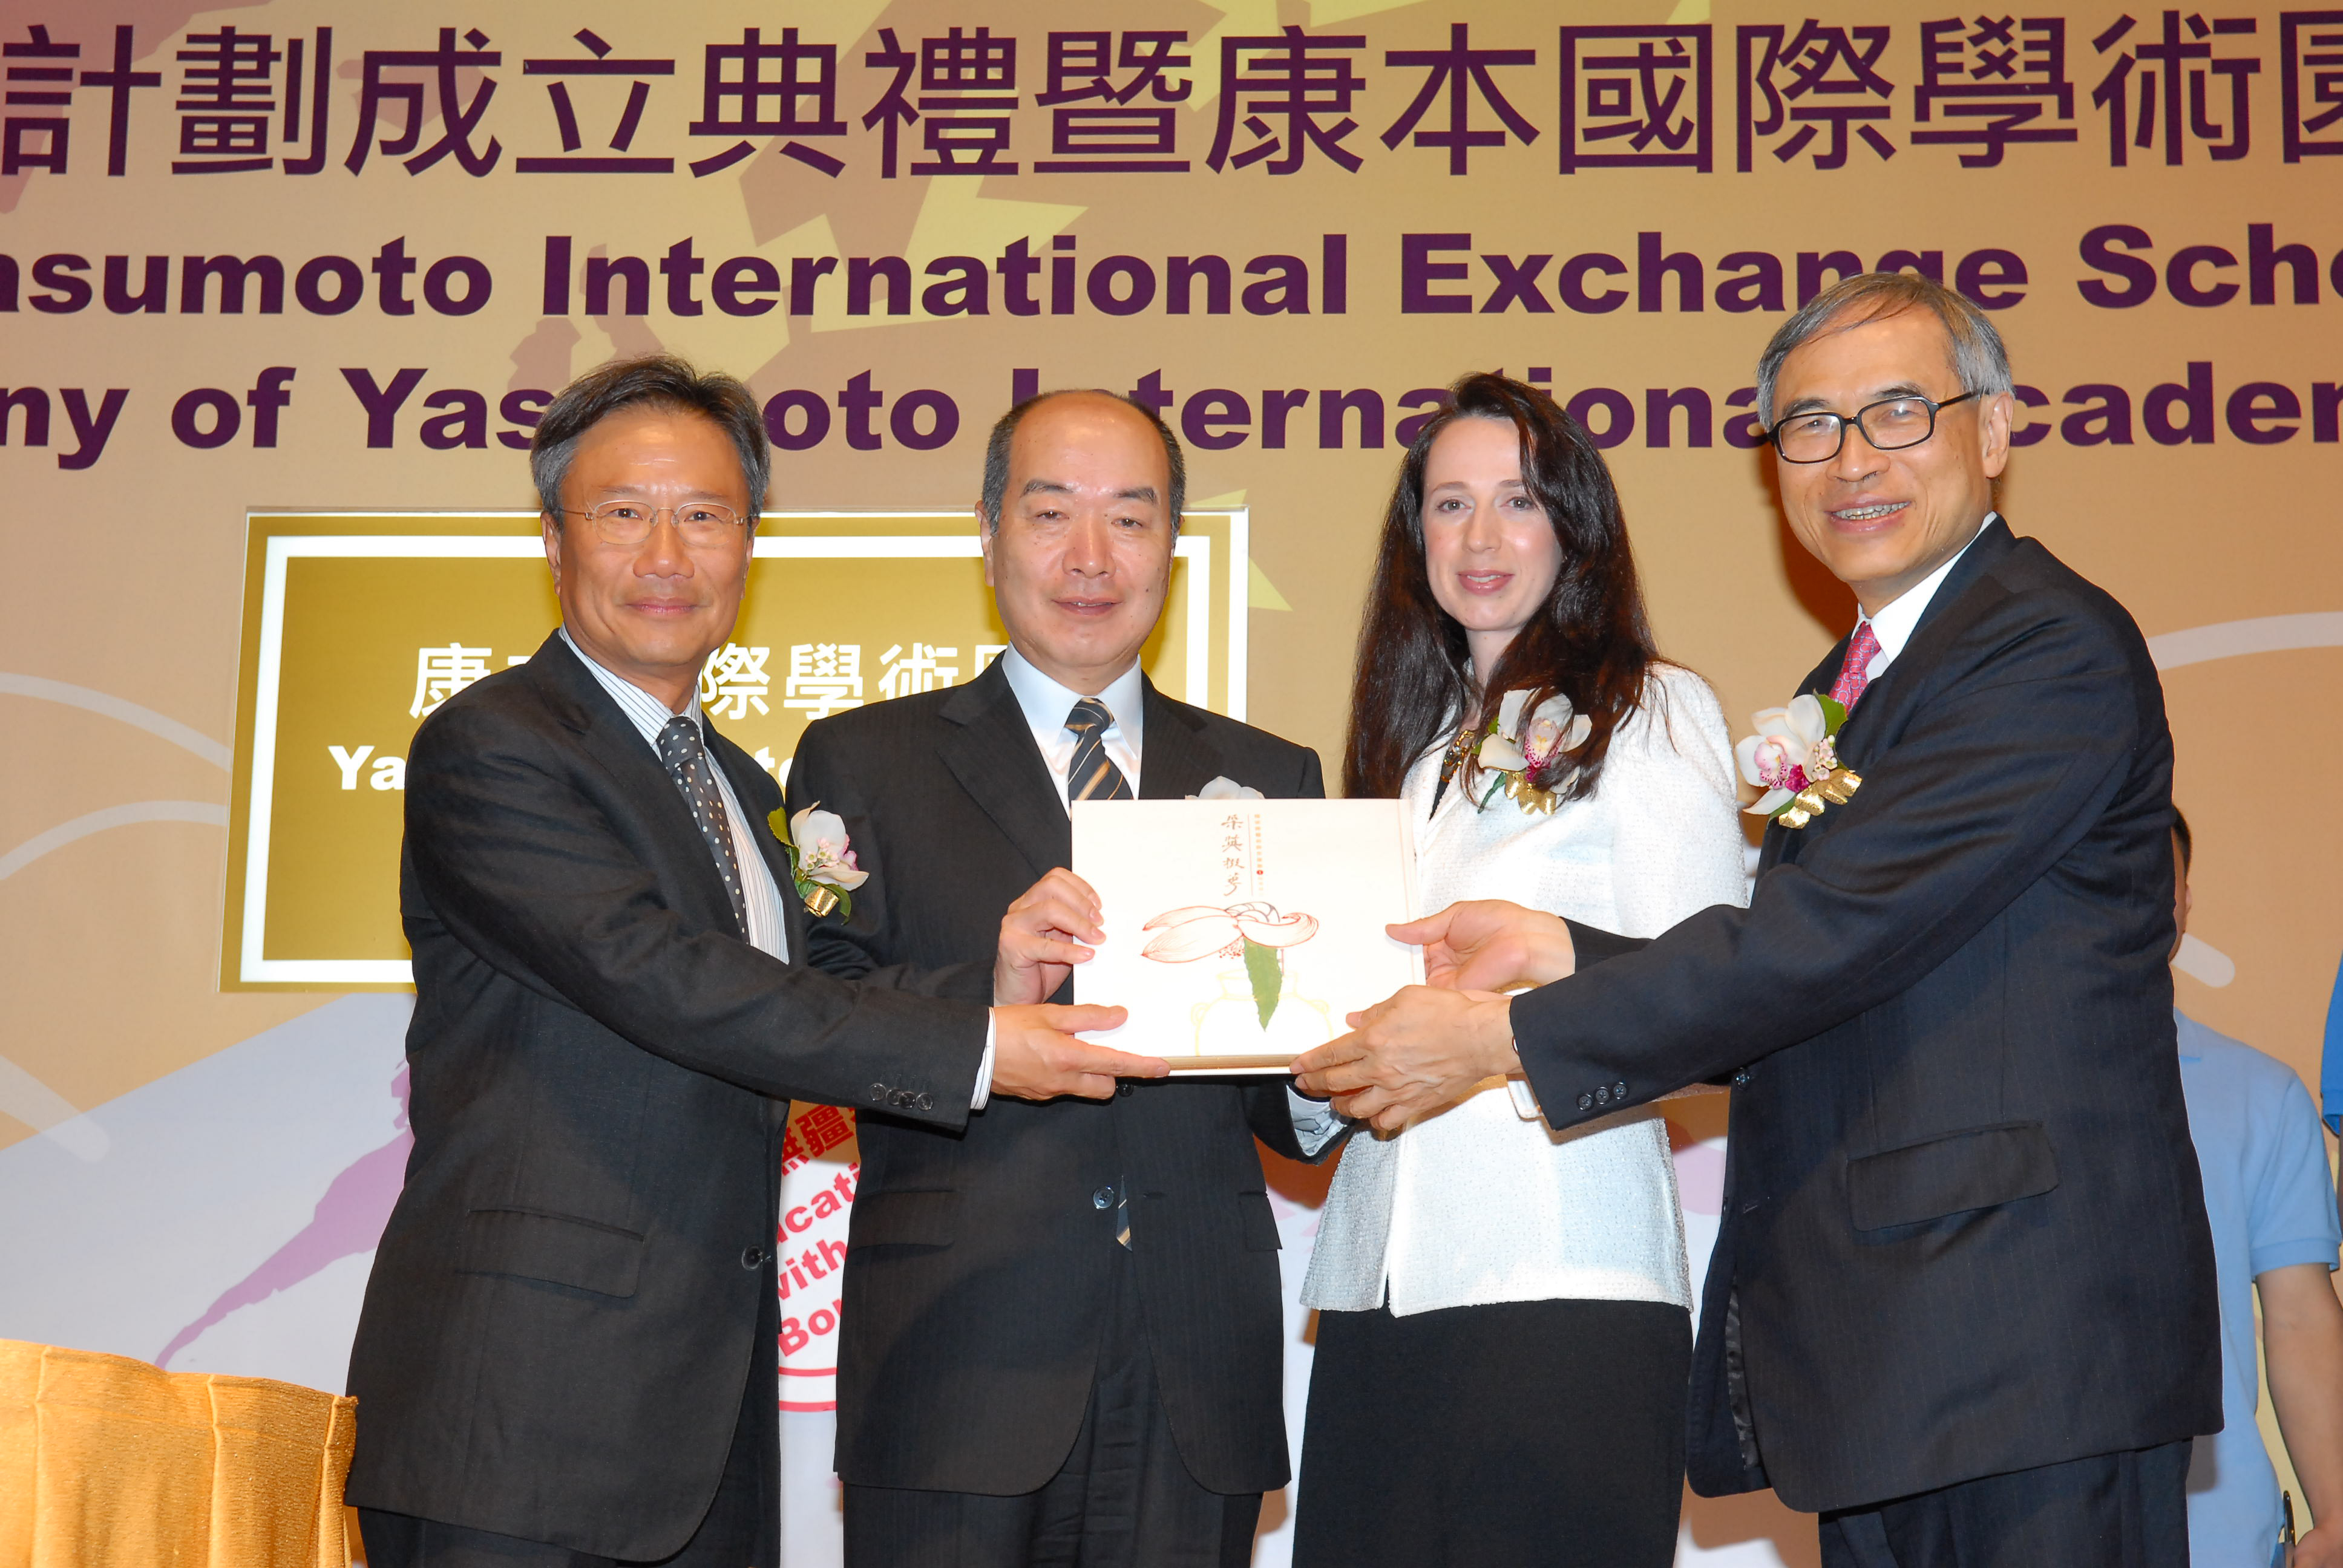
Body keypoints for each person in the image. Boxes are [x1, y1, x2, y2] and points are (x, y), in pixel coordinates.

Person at [1295, 272, 2222, 1567]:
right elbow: (1802, 968)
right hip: (1893, 1341)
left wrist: (1508, 1035)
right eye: (1809, 428)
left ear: (1996, 429)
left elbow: (1830, 934)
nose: (1849, 460)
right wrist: (1561, 947)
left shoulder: (2040, 645)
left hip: (2020, 1329)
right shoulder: (1847, 684)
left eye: (1897, 413)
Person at [344, 356, 1160, 1568]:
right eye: (624, 514)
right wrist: (983, 1047)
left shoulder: (736, 785)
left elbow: (807, 998)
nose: (666, 558)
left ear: (749, 544)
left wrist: (984, 987)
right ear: (554, 538)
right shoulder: (496, 746)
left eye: (706, 517)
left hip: (695, 1417)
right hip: (518, 1413)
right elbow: (662, 977)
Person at [785, 388, 1329, 1568]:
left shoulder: (1266, 776)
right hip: (955, 1355)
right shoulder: (862, 759)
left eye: (1130, 520)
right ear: (987, 535)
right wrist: (986, 988)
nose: (1091, 558)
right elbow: (815, 1014)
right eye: (1051, 514)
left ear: (1172, 547)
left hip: (1193, 1364)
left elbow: (1278, 1088)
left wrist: (1341, 1046)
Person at [1292, 373, 1746, 1567]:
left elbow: (1716, 995)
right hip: (1379, 1292)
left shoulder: (1649, 712)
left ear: (1575, 530)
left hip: (1560, 1279)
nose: (1480, 538)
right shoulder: (1413, 759)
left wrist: (1513, 1017)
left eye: (1516, 502)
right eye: (1448, 505)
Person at [2170, 808, 2343, 1568]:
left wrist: (2336, 1516)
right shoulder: (1964, 1091)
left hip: (2222, 1541)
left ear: (2183, 901)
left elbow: (2300, 1318)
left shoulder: (2257, 1093)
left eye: (2158, 878)